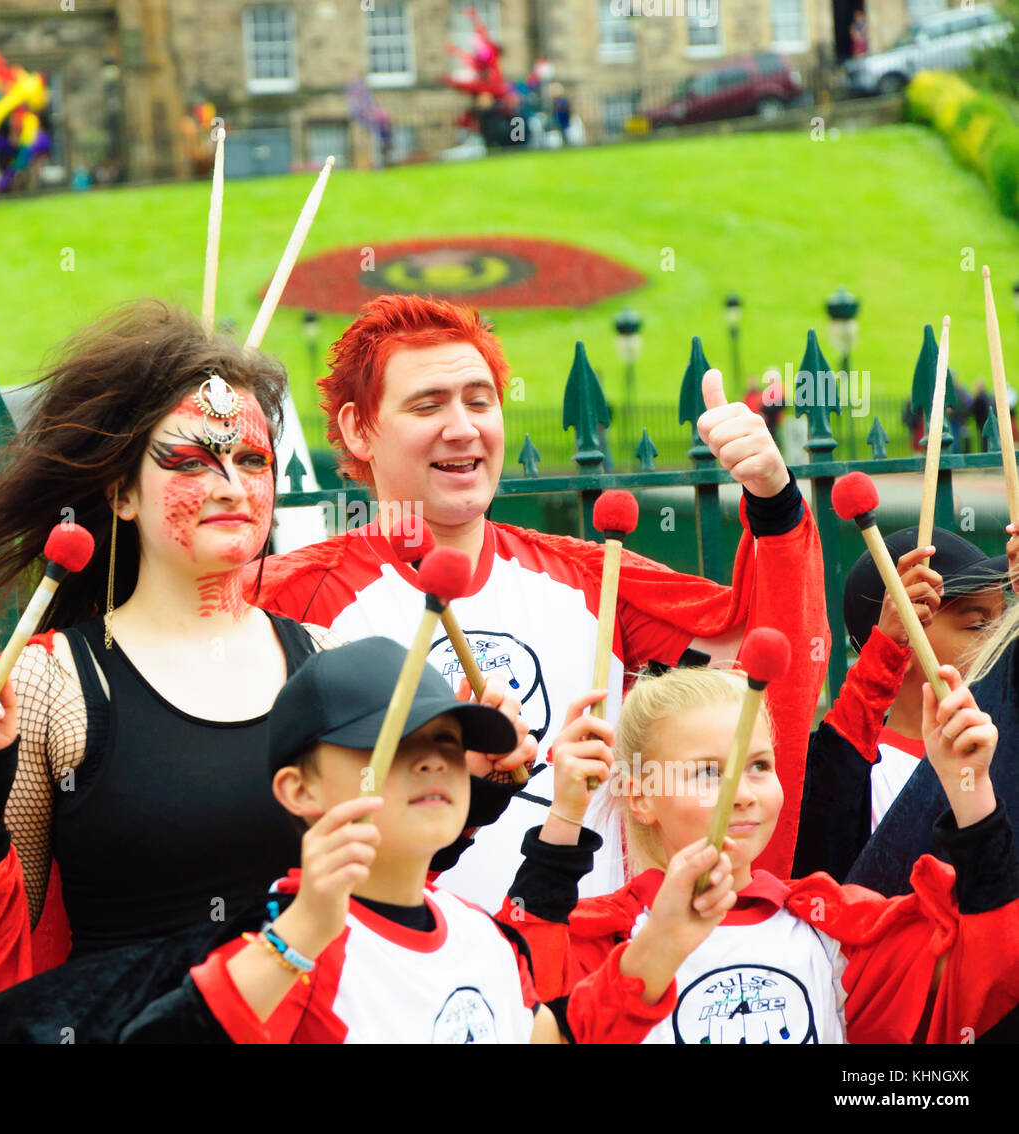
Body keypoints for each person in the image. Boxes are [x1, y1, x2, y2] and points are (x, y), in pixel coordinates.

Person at [247, 294, 827, 908]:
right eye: (428, 404)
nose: (463, 427)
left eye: (479, 401)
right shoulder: (287, 600)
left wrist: (773, 497)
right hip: (397, 978)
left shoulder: (590, 577)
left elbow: (758, 660)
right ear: (358, 430)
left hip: (585, 980)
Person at [0, 301, 340, 1041]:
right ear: (122, 494)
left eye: (252, 460)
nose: (230, 485)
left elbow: (391, 892)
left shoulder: (328, 660)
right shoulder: (50, 684)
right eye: (191, 462)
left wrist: (471, 784)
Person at [0, 638, 569, 1043]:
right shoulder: (287, 945)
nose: (432, 762)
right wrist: (299, 934)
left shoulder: (483, 940)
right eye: (392, 745)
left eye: (449, 746)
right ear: (297, 791)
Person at [502, 663, 1019, 1044]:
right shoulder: (602, 939)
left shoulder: (837, 929)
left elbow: (991, 973)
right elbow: (521, 1000)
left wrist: (967, 784)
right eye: (709, 771)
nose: (743, 793)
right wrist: (566, 811)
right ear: (639, 796)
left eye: (759, 766)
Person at [793, 528, 1007, 879]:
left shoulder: (1005, 741)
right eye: (978, 625)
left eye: (1003, 622)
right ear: (899, 648)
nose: (1000, 641)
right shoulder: (862, 778)